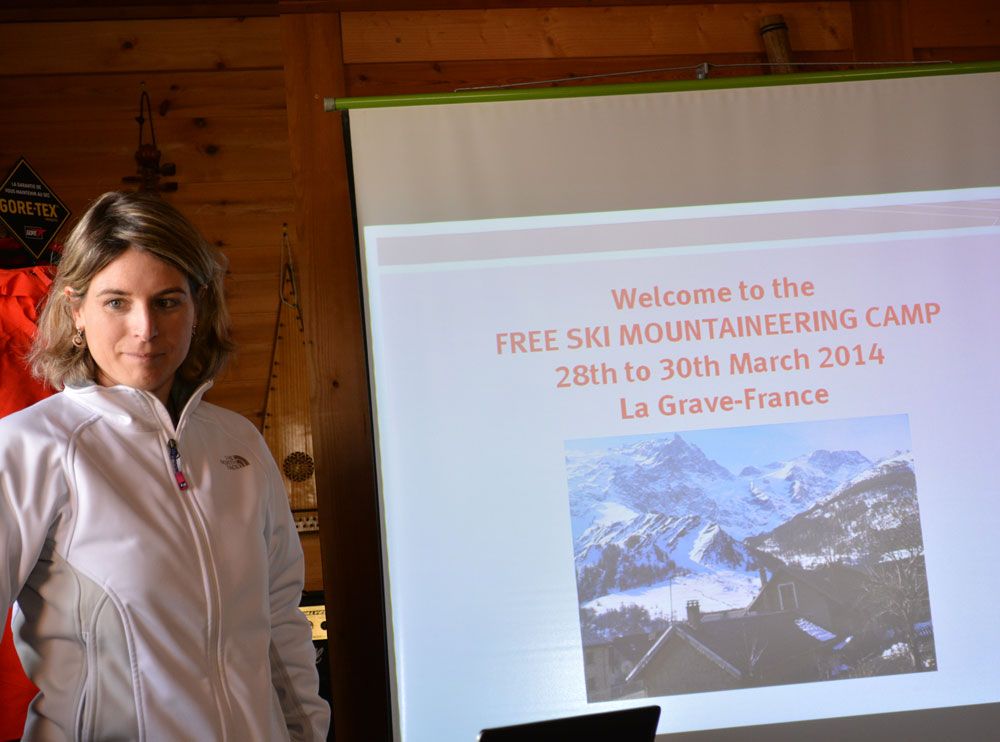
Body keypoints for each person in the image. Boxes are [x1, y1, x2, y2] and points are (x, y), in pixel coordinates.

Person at [0, 191, 330, 740]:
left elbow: (280, 621)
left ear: (198, 307)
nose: (145, 328)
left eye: (168, 301)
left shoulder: (238, 443)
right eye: (116, 302)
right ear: (76, 310)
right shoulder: (29, 448)